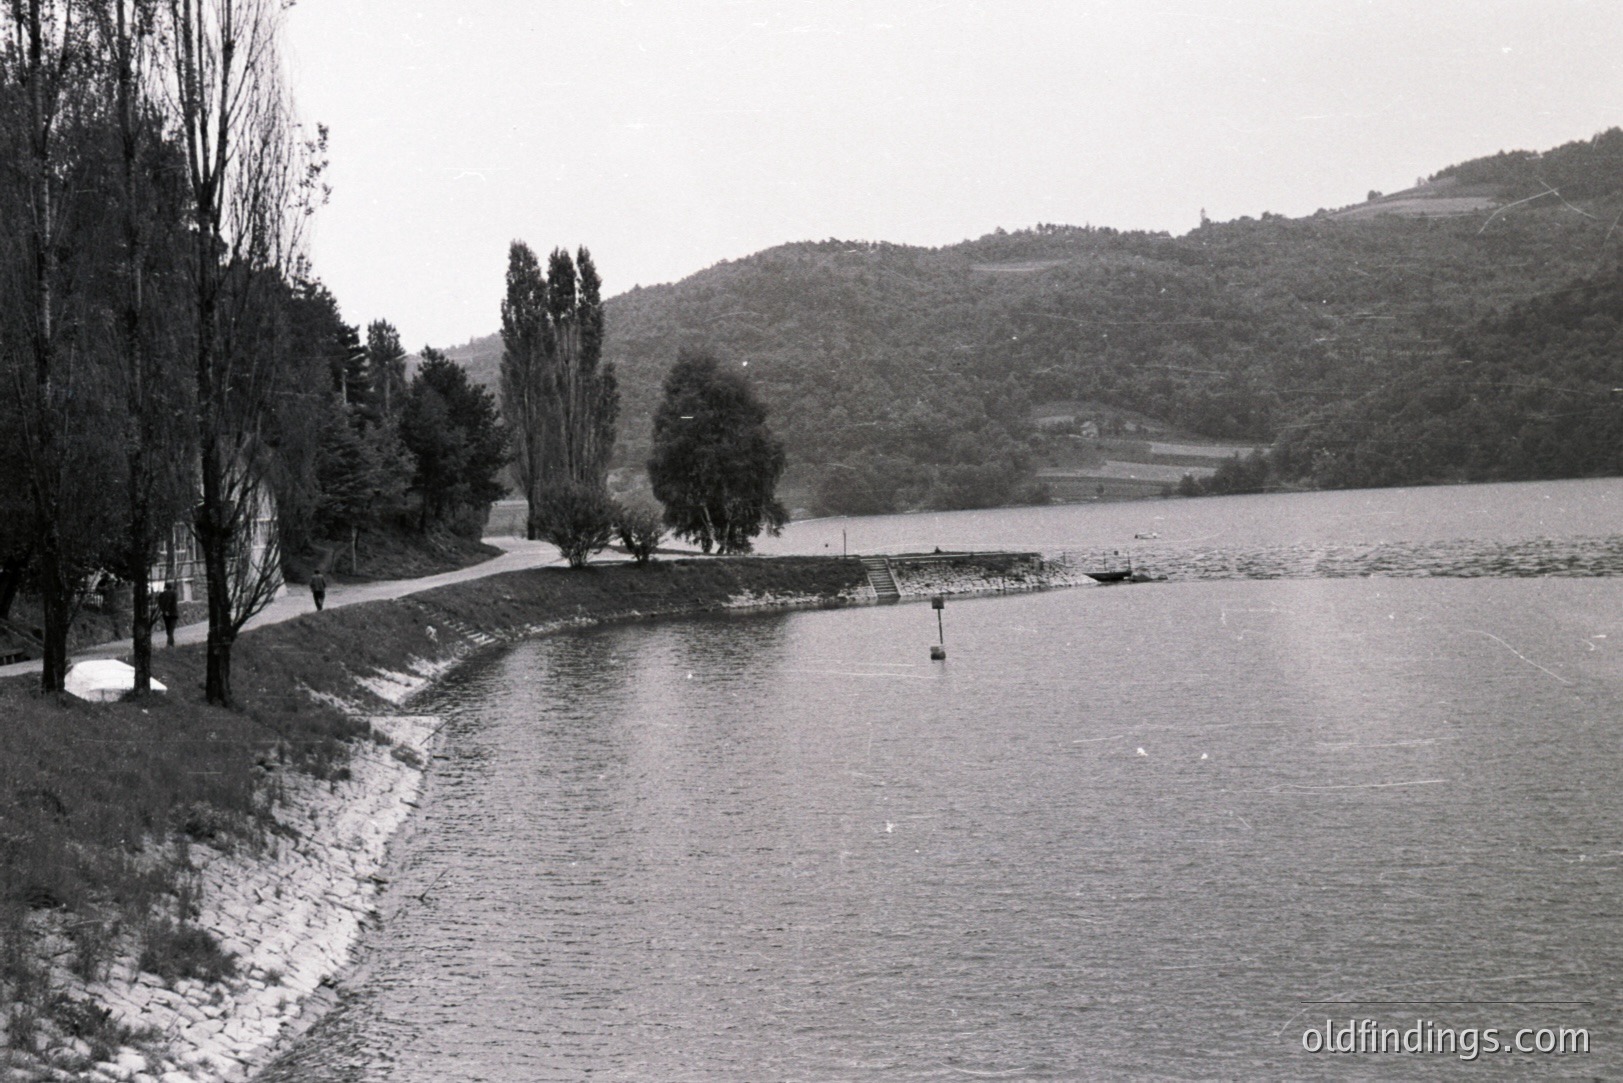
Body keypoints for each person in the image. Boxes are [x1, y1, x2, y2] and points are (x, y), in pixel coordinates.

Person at [157, 582, 179, 648]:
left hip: (166, 614)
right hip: (173, 613)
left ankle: (170, 644)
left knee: (168, 629)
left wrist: (164, 610)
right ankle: (170, 644)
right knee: (171, 629)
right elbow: (174, 603)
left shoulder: (162, 594)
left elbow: (159, 603)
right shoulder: (174, 593)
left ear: (165, 587)